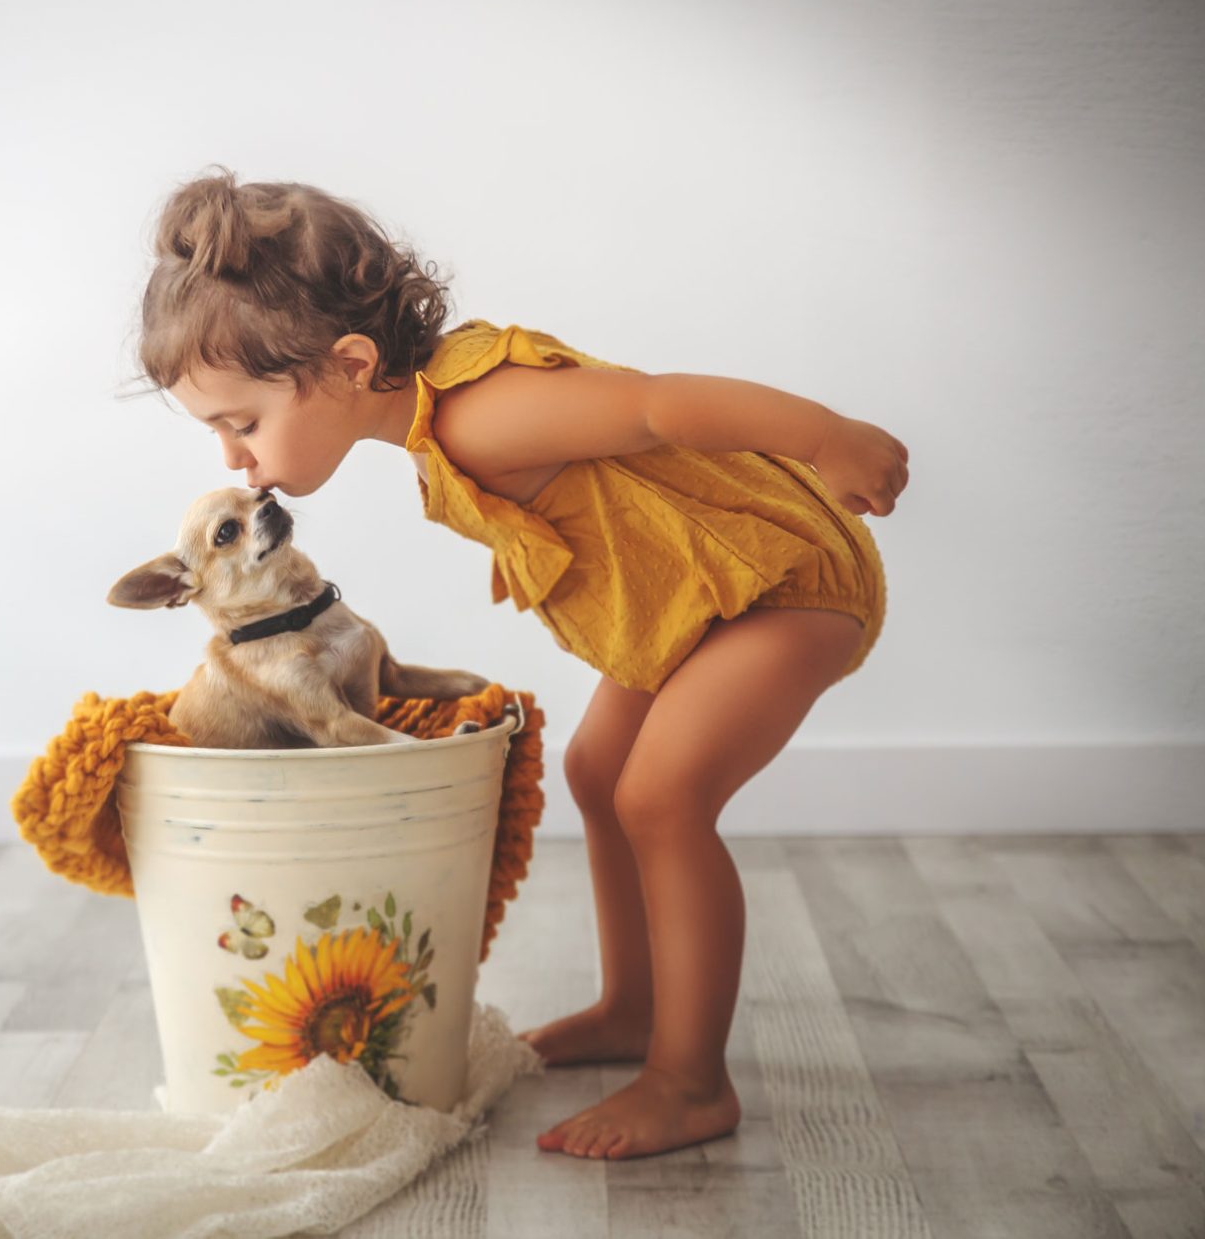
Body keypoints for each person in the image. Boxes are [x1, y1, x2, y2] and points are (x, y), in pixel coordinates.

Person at [127, 165, 907, 1161]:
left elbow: (658, 407)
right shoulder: (430, 429)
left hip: (778, 583)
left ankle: (691, 1081)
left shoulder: (477, 415)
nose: (237, 458)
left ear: (350, 363)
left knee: (663, 799)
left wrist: (827, 437)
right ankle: (633, 1008)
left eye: (243, 421)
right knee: (597, 773)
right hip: (689, 602)